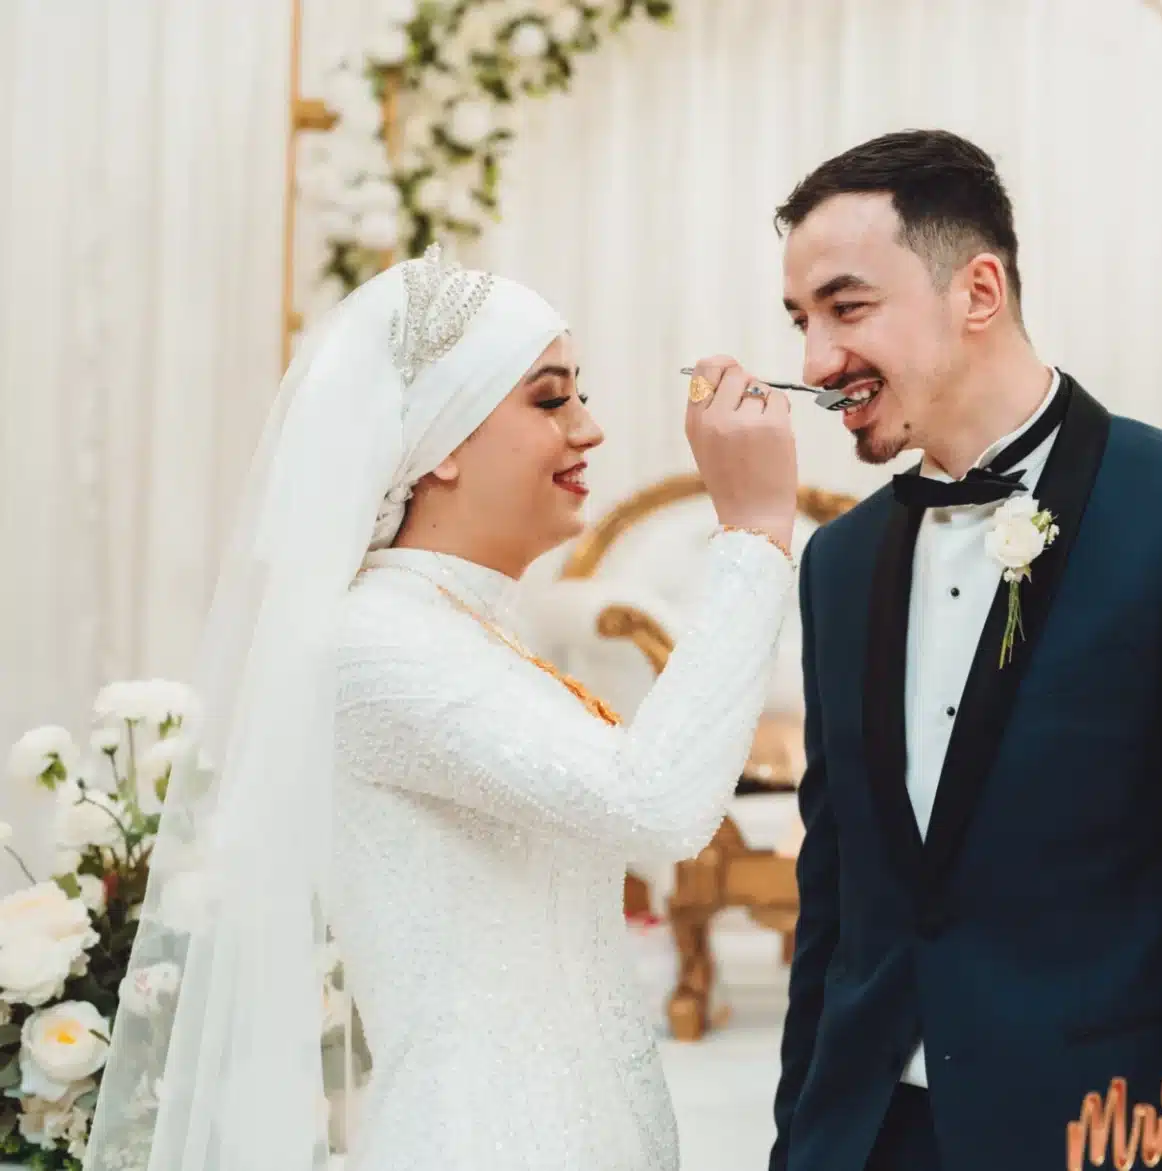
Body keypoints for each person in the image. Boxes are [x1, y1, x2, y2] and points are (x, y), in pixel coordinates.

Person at [83, 245, 799, 1171]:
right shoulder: (374, 644)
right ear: (440, 439)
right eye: (550, 398)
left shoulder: (463, 626)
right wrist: (753, 535)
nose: (591, 429)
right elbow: (659, 801)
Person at [765, 130, 1162, 1171]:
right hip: (866, 1137)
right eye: (801, 321)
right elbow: (837, 899)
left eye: (847, 310)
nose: (814, 363)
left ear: (977, 290)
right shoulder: (839, 566)